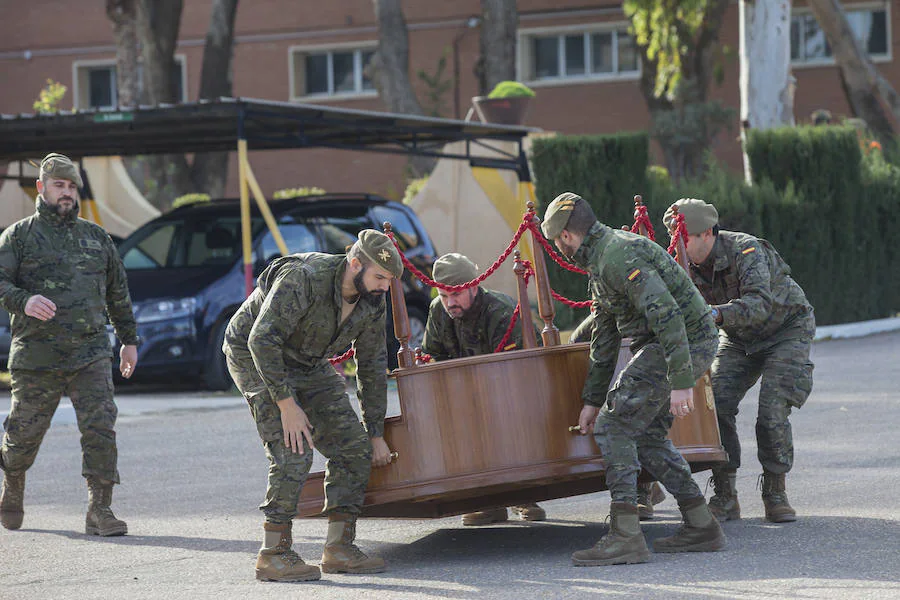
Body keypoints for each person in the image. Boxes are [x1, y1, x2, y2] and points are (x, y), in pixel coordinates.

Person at [542, 192, 725, 566]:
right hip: (669, 343)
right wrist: (592, 401)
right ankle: (701, 522)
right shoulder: (601, 258)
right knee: (645, 434)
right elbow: (605, 338)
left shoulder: (616, 255)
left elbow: (668, 315)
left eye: (556, 244)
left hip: (681, 341)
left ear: (565, 238)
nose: (559, 252)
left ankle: (625, 535)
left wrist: (680, 381)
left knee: (615, 428)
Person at [223, 229, 402, 582]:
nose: (385, 286)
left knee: (353, 447)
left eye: (390, 280)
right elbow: (262, 339)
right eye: (379, 277)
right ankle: (273, 552)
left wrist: (375, 432)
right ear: (355, 264)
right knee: (295, 449)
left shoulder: (373, 301)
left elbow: (371, 365)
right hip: (254, 355)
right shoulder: (304, 277)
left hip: (308, 361)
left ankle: (339, 547)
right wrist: (286, 404)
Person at [0, 153, 138, 536]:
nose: (67, 193)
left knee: (100, 429)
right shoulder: (19, 236)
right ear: (41, 188)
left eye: (72, 186)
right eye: (59, 185)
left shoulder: (96, 238)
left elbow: (118, 293)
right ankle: (12, 482)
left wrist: (129, 340)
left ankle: (100, 510)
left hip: (90, 353)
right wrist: (23, 300)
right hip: (36, 356)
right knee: (23, 436)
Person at [663, 198, 814, 523]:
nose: (679, 247)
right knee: (715, 405)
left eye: (683, 238)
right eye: (674, 240)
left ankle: (775, 492)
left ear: (706, 233)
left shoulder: (745, 250)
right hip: (739, 337)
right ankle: (725, 495)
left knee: (771, 410)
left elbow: (759, 303)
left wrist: (715, 313)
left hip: (785, 328)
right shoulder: (682, 265)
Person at [421, 252, 545, 526]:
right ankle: (487, 502)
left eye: (456, 294)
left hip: (512, 390)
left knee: (506, 423)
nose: (450, 303)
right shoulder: (438, 310)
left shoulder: (500, 311)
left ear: (474, 285)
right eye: (443, 295)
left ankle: (523, 496)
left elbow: (519, 370)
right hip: (464, 392)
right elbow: (433, 357)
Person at [569, 311, 667, 521]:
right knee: (577, 344)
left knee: (627, 418)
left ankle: (641, 493)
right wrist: (592, 401)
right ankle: (644, 485)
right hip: (616, 305)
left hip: (650, 314)